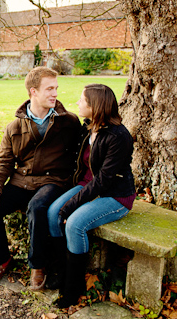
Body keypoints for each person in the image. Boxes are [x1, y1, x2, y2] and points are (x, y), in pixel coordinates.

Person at [0, 67, 81, 290]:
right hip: (22, 181)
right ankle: (1, 259)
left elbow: (84, 152)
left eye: (56, 88)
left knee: (37, 207)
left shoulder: (69, 122)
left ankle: (38, 266)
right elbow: (4, 161)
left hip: (53, 181)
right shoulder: (14, 127)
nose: (55, 93)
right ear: (33, 92)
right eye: (49, 89)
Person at [47, 83, 136, 307]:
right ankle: (62, 271)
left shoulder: (119, 136)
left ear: (95, 105)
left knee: (74, 223)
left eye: (82, 100)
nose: (78, 103)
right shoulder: (89, 128)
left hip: (115, 195)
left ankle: (73, 288)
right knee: (51, 213)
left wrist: (71, 206)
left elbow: (104, 180)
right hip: (89, 186)